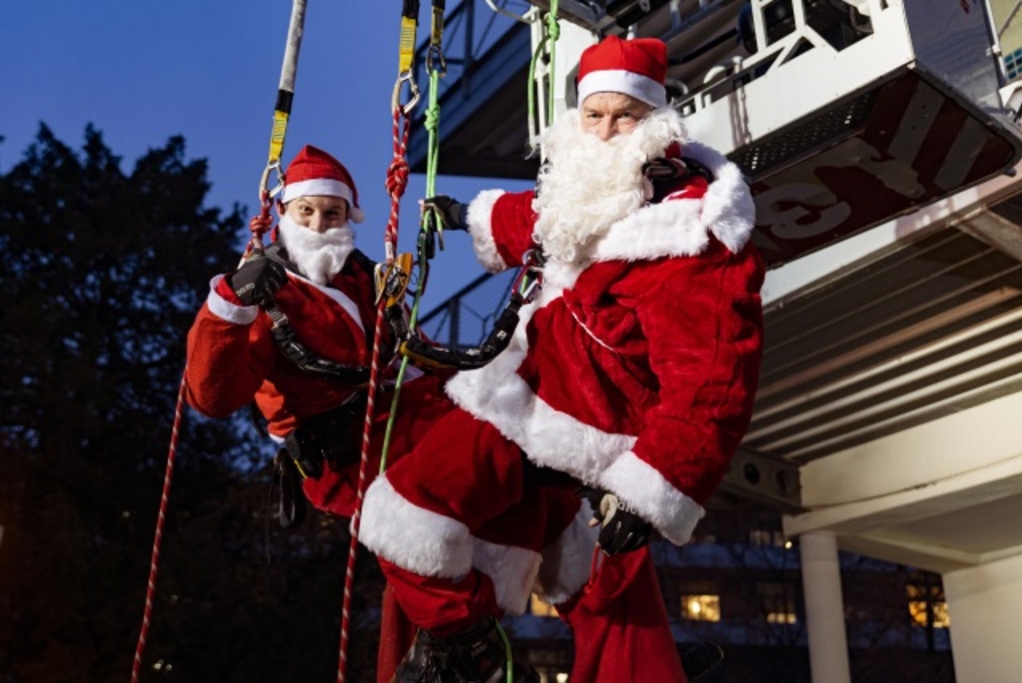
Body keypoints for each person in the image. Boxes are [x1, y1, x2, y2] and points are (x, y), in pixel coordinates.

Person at [358, 34, 765, 682]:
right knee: (407, 504)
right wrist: (468, 218)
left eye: (623, 117)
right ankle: (467, 645)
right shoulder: (585, 189)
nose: (605, 131)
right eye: (593, 115)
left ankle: (631, 666)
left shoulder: (693, 236)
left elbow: (714, 376)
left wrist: (648, 488)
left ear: (654, 124)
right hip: (519, 394)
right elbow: (541, 218)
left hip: (599, 434)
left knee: (605, 586)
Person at [183, 145, 456, 681]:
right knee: (417, 533)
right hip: (341, 452)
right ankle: (448, 641)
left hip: (400, 422)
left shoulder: (367, 279)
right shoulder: (265, 293)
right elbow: (209, 397)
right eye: (305, 212)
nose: (319, 223)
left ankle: (456, 637)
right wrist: (228, 306)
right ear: (284, 216)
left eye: (331, 213)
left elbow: (415, 353)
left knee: (487, 467)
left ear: (348, 218)